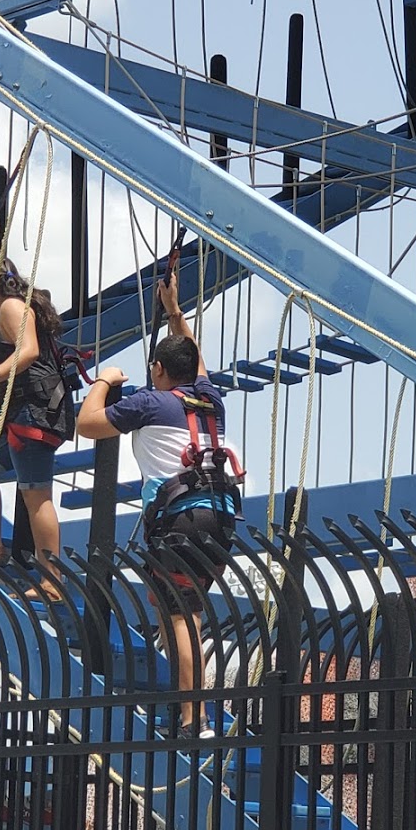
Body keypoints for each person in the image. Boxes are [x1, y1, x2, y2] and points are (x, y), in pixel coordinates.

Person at [77, 270, 242, 738]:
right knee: (180, 610)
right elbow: (196, 359)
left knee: (182, 618)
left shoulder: (149, 403)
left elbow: (87, 423)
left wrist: (104, 380)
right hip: (219, 517)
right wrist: (174, 312)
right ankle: (187, 708)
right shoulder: (209, 400)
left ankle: (194, 719)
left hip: (179, 520)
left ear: (158, 370)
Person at [0, 251, 74, 599]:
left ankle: (52, 580)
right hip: (26, 414)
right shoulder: (11, 306)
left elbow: (28, 350)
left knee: (36, 496)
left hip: (34, 414)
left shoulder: (11, 308)